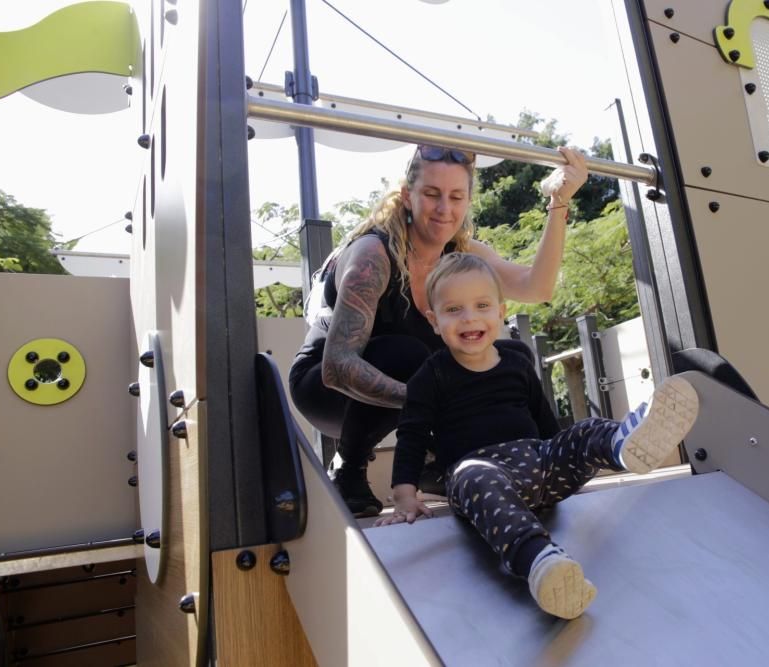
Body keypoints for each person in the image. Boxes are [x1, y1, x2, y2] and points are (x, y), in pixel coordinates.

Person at [376, 253, 700, 620]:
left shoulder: (516, 358)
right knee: (472, 478)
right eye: (454, 309)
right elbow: (412, 434)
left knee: (584, 430)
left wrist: (560, 450)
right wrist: (404, 495)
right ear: (434, 322)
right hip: (484, 473)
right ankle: (541, 564)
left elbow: (542, 415)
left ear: (501, 311)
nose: (469, 317)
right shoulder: (431, 376)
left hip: (541, 463)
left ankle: (625, 445)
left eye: (482, 305)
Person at [289, 143, 589, 517]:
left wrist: (558, 204)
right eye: (432, 194)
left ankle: (519, 462)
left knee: (512, 355)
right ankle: (348, 469)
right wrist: (434, 402)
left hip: (411, 393)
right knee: (407, 355)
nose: (444, 209)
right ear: (408, 197)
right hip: (325, 389)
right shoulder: (373, 255)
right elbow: (338, 365)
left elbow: (536, 287)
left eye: (456, 196)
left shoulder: (463, 256)